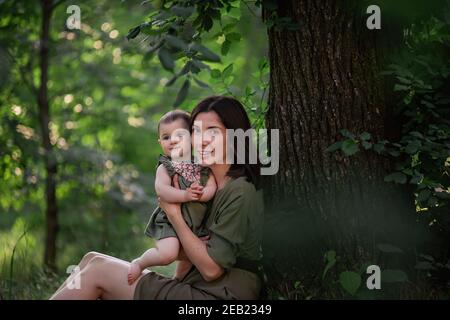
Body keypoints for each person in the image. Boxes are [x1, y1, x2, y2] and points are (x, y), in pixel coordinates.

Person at [50, 96, 264, 300]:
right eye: (196, 131)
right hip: (196, 285)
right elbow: (195, 247)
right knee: (91, 258)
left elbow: (212, 270)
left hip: (222, 294)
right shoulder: (203, 181)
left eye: (213, 131)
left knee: (98, 270)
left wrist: (174, 215)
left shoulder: (239, 191)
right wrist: (175, 279)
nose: (202, 140)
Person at [127, 110, 217, 285]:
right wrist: (185, 194)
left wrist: (203, 194)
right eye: (166, 137)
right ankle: (140, 262)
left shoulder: (201, 164)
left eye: (179, 135)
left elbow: (212, 185)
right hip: (170, 221)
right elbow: (162, 190)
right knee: (168, 254)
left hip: (195, 222)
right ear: (160, 142)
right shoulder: (166, 167)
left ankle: (177, 281)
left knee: (191, 257)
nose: (173, 140)